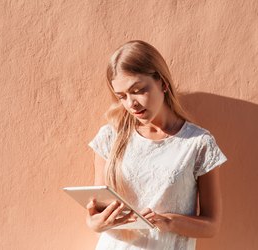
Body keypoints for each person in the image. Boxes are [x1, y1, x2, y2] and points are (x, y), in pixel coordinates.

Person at [85, 40, 227, 250]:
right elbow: (96, 214)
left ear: (162, 83)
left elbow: (212, 226)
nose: (131, 103)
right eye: (122, 96)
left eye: (138, 90)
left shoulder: (198, 143)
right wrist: (96, 223)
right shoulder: (110, 137)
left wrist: (169, 222)